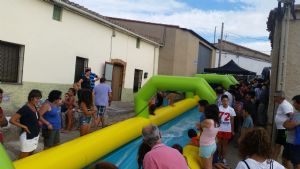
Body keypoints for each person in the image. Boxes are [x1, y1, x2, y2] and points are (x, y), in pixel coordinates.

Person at [10, 89, 42, 159]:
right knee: (23, 157)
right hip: (27, 136)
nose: (38, 100)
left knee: (31, 154)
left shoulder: (34, 107)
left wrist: (38, 122)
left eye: (39, 99)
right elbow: (12, 120)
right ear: (31, 98)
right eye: (37, 98)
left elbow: (34, 118)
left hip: (35, 135)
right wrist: (24, 126)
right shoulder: (25, 108)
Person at [273, 91, 293, 162]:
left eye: (275, 96)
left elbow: (291, 115)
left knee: (279, 145)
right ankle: (274, 161)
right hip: (282, 129)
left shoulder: (284, 105)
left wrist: (289, 126)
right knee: (278, 145)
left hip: (284, 130)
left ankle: (276, 161)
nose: (274, 98)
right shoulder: (282, 104)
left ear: (279, 97)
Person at [199, 104, 220, 169]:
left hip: (206, 147)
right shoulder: (216, 122)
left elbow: (199, 125)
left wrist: (199, 125)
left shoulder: (208, 121)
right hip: (212, 145)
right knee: (209, 166)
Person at [217, 95, 236, 165]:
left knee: (225, 145)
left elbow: (232, 121)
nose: (225, 102)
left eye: (226, 101)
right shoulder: (218, 109)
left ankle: (224, 158)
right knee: (219, 144)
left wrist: (232, 130)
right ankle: (219, 157)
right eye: (224, 101)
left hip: (227, 130)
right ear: (221, 101)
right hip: (219, 129)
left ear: (228, 101)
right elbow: (217, 119)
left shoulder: (231, 110)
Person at [283, 95, 300, 169]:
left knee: (296, 163)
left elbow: (289, 126)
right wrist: (289, 124)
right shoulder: (294, 114)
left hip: (296, 144)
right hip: (288, 141)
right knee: (284, 160)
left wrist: (289, 124)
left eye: (294, 102)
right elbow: (284, 124)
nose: (293, 104)